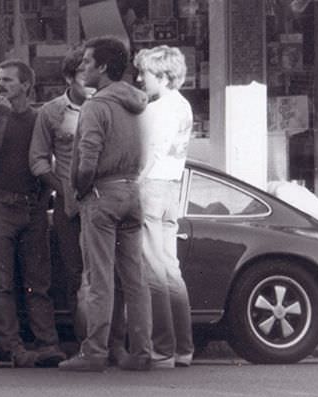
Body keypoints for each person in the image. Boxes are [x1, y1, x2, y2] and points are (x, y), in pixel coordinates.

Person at [58, 36, 152, 372]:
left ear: (103, 67)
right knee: (134, 277)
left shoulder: (97, 106)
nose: (82, 67)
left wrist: (81, 190)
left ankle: (94, 351)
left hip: (102, 193)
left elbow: (87, 160)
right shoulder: (138, 104)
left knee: (99, 278)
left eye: (87, 61)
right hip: (132, 190)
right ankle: (141, 350)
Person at [28, 48, 127, 363]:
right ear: (70, 79)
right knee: (78, 277)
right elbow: (39, 160)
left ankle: (115, 343)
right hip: (71, 207)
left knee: (113, 274)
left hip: (107, 200)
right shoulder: (53, 113)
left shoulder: (111, 105)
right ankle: (88, 344)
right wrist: (65, 188)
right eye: (85, 79)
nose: (92, 85)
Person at [0, 59, 66, 368]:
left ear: (27, 85)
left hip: (33, 206)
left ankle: (48, 344)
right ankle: (13, 347)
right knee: (2, 282)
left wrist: (45, 197)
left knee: (38, 281)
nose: (1, 85)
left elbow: (47, 160)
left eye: (9, 80)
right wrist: (1, 117)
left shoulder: (40, 118)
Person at [134, 45, 195, 368]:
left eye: (145, 72)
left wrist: (135, 184)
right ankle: (184, 347)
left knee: (153, 271)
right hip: (172, 188)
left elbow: (148, 155)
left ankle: (163, 348)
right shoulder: (183, 106)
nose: (140, 78)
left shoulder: (154, 111)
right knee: (171, 269)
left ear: (162, 75)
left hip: (151, 188)